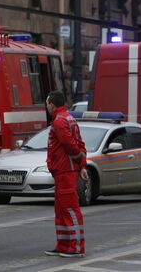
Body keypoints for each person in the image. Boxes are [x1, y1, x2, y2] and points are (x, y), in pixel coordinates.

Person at [44, 90, 87, 258]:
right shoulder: (68, 118)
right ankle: (63, 245)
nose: (46, 106)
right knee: (61, 210)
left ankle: (76, 247)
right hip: (63, 171)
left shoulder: (59, 121)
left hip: (64, 171)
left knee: (69, 209)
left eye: (47, 103)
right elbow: (80, 144)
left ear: (52, 105)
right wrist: (82, 164)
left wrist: (77, 159)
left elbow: (70, 144)